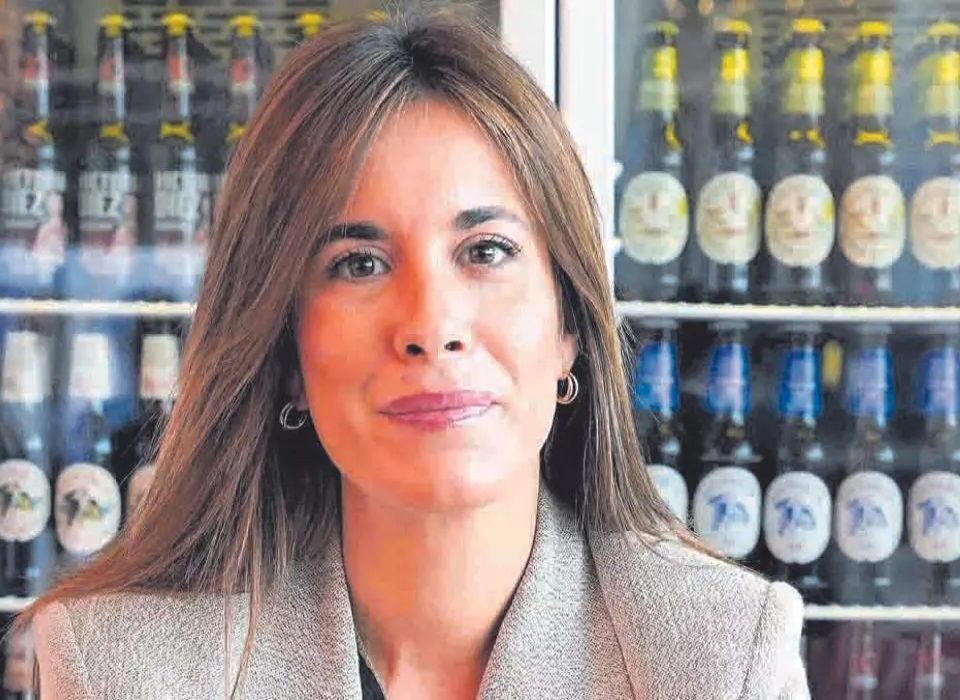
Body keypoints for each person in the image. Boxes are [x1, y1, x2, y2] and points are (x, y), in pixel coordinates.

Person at [22, 10, 808, 699]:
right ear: (285, 350)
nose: (431, 325)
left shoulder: (721, 658)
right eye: (359, 263)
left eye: (486, 251)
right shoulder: (125, 667)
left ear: (568, 326)